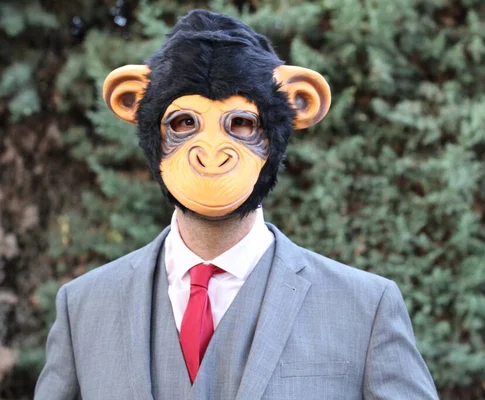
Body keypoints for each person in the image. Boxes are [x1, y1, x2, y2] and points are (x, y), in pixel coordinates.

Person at [35, 9, 439, 400]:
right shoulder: (82, 307)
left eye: (242, 124)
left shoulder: (364, 308)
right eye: (183, 124)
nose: (211, 151)